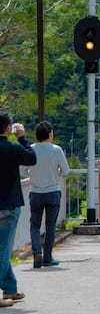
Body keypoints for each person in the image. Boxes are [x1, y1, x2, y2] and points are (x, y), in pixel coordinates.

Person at [0, 111, 37, 304]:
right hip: (9, 205)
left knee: (3, 249)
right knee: (4, 250)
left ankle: (9, 289)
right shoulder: (12, 148)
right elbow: (32, 158)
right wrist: (22, 137)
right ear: (8, 128)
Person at [28, 121, 70, 267]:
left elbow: (22, 171)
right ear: (50, 134)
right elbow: (66, 171)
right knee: (50, 226)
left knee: (34, 225)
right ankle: (47, 257)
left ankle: (36, 253)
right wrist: (56, 174)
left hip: (35, 192)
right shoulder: (56, 149)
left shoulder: (30, 149)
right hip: (52, 192)